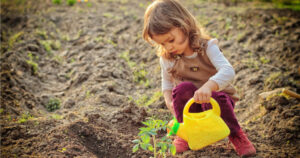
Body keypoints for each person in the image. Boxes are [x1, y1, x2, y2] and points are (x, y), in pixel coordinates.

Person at [142, 0, 256, 157]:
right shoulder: (168, 58)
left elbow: (228, 71)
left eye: (171, 40)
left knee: (216, 97)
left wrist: (209, 86)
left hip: (218, 104)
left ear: (184, 26)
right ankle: (185, 133)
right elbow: (167, 84)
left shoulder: (208, 47)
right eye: (162, 43)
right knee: (182, 89)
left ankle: (236, 134)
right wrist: (169, 101)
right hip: (191, 108)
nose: (169, 47)